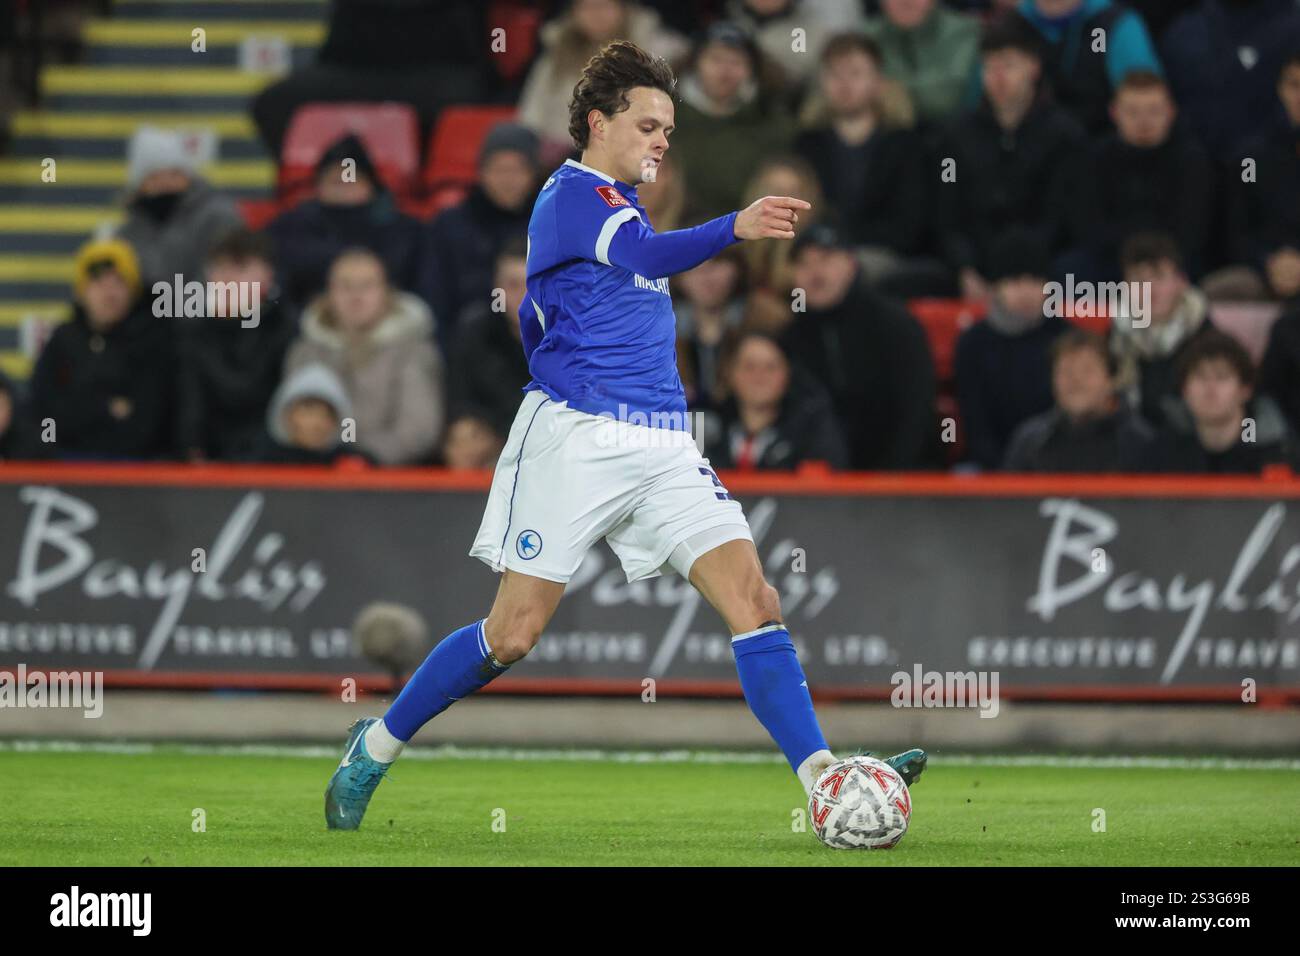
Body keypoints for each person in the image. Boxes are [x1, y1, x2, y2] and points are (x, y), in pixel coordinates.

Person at [324, 40, 926, 833]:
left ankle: (822, 779)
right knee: (513, 634)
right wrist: (736, 226)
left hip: (665, 443)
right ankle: (378, 742)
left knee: (756, 599)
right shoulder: (574, 196)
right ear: (598, 123)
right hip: (575, 441)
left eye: (669, 130)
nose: (661, 141)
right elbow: (644, 254)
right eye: (648, 125)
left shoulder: (618, 201)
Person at [937, 12, 1084, 302]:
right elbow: (946, 214)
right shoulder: (954, 136)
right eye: (989, 67)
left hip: (1045, 270)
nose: (998, 77)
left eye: (1008, 65)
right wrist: (965, 269)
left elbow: (1062, 217)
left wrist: (1023, 274)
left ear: (1033, 67)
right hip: (973, 268)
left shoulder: (1065, 135)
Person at [780, 223, 940, 470]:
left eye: (826, 259)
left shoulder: (895, 323)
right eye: (803, 264)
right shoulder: (792, 336)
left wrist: (892, 479)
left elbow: (917, 410)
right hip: (819, 488)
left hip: (900, 481)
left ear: (851, 264)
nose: (815, 273)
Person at [284, 248, 444, 466]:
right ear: (329, 293)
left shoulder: (414, 351)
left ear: (387, 292)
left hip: (391, 482)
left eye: (367, 286)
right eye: (345, 286)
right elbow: (291, 423)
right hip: (312, 473)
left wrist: (361, 457)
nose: (355, 296)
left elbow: (419, 429)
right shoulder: (305, 351)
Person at [1056, 70, 1213, 282]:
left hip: (1171, 261)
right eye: (1133, 112)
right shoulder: (1094, 158)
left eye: (1153, 111)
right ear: (1114, 113)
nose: (1144, 121)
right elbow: (1088, 224)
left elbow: (1191, 229)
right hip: (1109, 260)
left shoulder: (1193, 160)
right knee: (1070, 268)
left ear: (1171, 111)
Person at [29, 238, 175, 461]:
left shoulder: (151, 343)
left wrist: (76, 410)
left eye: (119, 282)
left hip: (135, 472)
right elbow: (45, 415)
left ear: (133, 291)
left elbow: (147, 426)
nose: (109, 293)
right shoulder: (63, 340)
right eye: (98, 282)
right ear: (81, 291)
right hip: (63, 465)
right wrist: (106, 408)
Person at [265, 134, 435, 313]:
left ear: (371, 185)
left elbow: (426, 290)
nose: (343, 189)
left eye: (350, 181)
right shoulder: (289, 227)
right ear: (317, 186)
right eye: (335, 181)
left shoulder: (407, 231)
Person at [174, 229, 299, 462]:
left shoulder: (290, 331)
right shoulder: (192, 333)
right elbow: (189, 407)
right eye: (219, 268)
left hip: (274, 462)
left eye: (239, 268)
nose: (226, 278)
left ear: (268, 275)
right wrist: (191, 448)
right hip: (205, 465)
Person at [954, 228, 1069, 469]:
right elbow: (976, 425)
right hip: (991, 468)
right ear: (996, 287)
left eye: (1035, 281)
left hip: (1057, 465)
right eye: (1015, 281)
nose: (1026, 292)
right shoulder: (973, 345)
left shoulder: (1066, 338)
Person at [426, 122, 538, 353]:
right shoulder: (450, 225)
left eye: (517, 170)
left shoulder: (551, 224)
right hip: (467, 348)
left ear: (533, 173)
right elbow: (435, 296)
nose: (507, 180)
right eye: (498, 169)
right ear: (481, 173)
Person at [1140, 329, 1299, 473]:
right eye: (1200, 377)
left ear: (1245, 390)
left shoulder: (1276, 452)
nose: (1210, 389)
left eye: (1222, 377)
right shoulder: (1163, 452)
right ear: (1184, 390)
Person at [1002, 329, 1153, 471]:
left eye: (1087, 370)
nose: (1075, 380)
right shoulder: (1029, 442)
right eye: (1066, 371)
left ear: (1110, 380)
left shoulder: (1140, 444)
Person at [113, 126, 243, 288]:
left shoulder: (218, 217)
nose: (165, 183)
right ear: (140, 184)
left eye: (174, 174)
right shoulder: (127, 234)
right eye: (154, 176)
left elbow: (228, 276)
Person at [1110, 232, 1215, 432]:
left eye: (1159, 277)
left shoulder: (1209, 340)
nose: (1149, 289)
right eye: (1139, 280)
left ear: (1181, 282)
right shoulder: (1112, 340)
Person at [705, 331, 849, 470]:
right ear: (730, 374)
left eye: (770, 368)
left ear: (787, 374)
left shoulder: (813, 434)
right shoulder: (707, 432)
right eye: (749, 367)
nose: (759, 377)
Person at [1016, 0, 1163, 133]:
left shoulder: (1112, 24)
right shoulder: (1015, 23)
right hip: (1027, 147)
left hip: (1100, 145)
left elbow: (1145, 98)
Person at [449, 238, 533, 440]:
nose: (523, 295)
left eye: (531, 283)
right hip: (490, 445)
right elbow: (459, 402)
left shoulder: (569, 337)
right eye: (513, 285)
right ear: (496, 287)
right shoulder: (474, 332)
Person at [862, 0, 982, 126]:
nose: (905, 2)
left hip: (954, 133)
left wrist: (890, 92)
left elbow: (949, 95)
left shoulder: (964, 31)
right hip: (884, 134)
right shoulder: (865, 38)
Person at [245, 362, 374, 466]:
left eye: (327, 414)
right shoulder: (261, 462)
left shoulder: (353, 463)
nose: (316, 422)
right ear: (287, 415)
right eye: (308, 410)